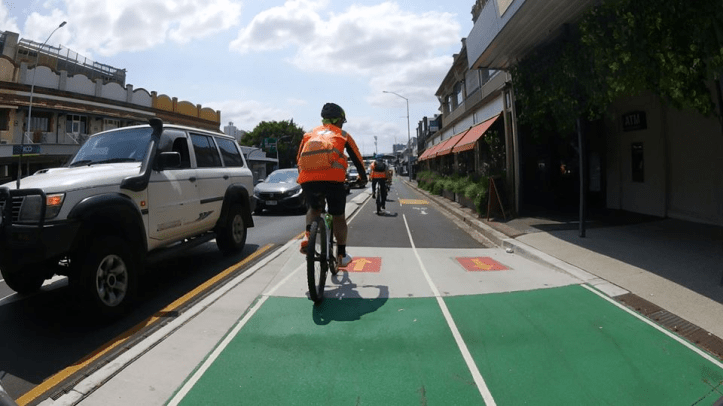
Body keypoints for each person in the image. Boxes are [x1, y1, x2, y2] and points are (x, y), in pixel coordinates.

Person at [297, 102, 367, 267]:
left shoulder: (309, 134)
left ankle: (307, 236)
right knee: (338, 216)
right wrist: (363, 178)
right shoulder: (343, 135)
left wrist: (303, 178)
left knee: (314, 209)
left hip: (308, 179)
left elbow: (299, 158)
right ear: (339, 120)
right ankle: (341, 255)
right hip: (333, 181)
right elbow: (357, 159)